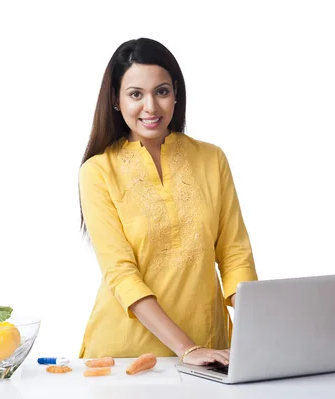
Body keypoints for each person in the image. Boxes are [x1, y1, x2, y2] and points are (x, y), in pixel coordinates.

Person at [78, 38, 258, 366]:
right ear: (116, 101)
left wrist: (261, 330)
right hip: (125, 359)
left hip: (211, 349)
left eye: (161, 91)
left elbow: (235, 256)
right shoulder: (98, 172)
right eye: (135, 94)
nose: (151, 107)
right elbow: (120, 274)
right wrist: (186, 348)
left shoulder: (211, 159)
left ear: (175, 93)